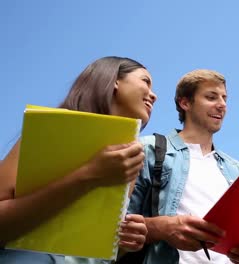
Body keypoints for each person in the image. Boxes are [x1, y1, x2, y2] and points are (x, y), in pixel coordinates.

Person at [0, 56, 156, 263]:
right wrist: (91, 175)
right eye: (145, 81)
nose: (154, 95)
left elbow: (89, 250)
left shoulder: (132, 159)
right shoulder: (51, 128)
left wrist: (125, 242)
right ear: (115, 80)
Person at [128, 69, 239, 264]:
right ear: (185, 102)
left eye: (224, 98)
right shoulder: (149, 149)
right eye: (211, 97)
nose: (222, 105)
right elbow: (117, 227)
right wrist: (162, 227)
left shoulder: (236, 169)